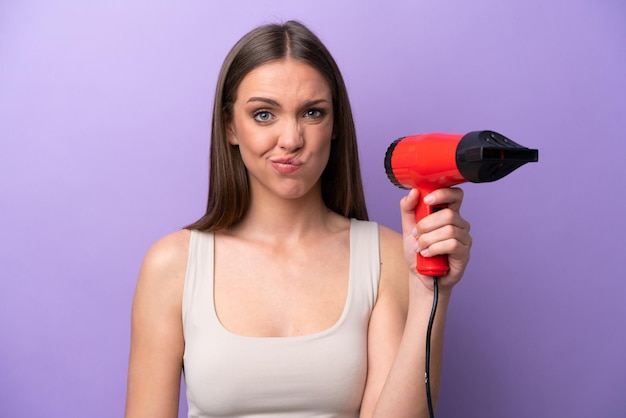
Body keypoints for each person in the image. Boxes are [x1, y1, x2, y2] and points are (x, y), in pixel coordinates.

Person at [124, 20, 472, 418]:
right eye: (263, 115)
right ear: (229, 127)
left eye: (312, 112)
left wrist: (432, 294)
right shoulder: (173, 265)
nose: (290, 139)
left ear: (336, 124)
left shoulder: (387, 258)